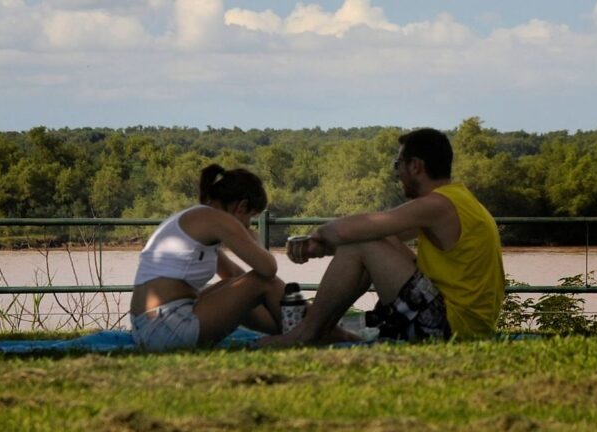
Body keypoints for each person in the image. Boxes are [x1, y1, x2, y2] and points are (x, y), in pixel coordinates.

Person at [260, 128, 505, 347]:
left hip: (449, 330)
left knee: (363, 239)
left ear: (416, 166)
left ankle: (306, 333)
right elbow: (384, 237)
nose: (397, 173)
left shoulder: (438, 205)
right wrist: (319, 248)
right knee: (367, 239)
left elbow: (357, 230)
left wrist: (317, 234)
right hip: (463, 326)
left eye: (398, 164)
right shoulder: (459, 200)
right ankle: (322, 330)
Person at [129, 164, 286, 351]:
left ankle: (291, 329)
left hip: (147, 327)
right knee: (262, 280)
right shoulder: (217, 219)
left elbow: (233, 275)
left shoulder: (197, 218)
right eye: (251, 217)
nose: (248, 224)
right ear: (241, 206)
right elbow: (268, 269)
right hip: (167, 328)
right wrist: (255, 241)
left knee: (237, 285)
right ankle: (305, 329)